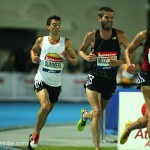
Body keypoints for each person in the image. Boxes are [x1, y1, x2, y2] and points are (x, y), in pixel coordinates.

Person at [76, 7, 129, 150]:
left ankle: (85, 115)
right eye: (107, 17)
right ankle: (97, 148)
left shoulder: (120, 35)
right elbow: (81, 50)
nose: (110, 20)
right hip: (94, 78)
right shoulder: (91, 35)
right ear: (99, 19)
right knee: (98, 112)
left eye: (112, 18)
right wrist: (87, 57)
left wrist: (120, 62)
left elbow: (131, 54)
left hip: (110, 81)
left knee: (97, 113)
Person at [27, 15, 78, 150]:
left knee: (47, 112)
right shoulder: (41, 41)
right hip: (41, 78)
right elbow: (33, 50)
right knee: (45, 106)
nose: (57, 27)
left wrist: (68, 57)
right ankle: (36, 134)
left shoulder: (66, 42)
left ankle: (33, 134)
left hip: (56, 83)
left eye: (59, 25)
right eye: (54, 25)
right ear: (48, 27)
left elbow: (75, 60)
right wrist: (34, 58)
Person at [120, 28, 150, 144]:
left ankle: (129, 128)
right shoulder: (143, 35)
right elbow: (128, 50)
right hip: (147, 77)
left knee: (146, 119)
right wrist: (128, 64)